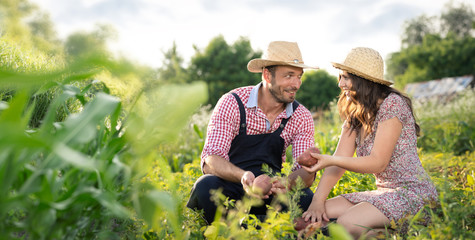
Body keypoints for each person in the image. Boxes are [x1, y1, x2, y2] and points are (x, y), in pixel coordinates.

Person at [300, 47, 438, 238]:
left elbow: (377, 162)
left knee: (347, 224)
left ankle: (409, 230)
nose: (340, 83)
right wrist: (317, 200)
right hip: (384, 194)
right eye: (340, 77)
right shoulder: (355, 114)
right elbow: (338, 163)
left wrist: (330, 160)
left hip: (411, 192)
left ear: (363, 80)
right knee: (310, 219)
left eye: (346, 77)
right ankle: (390, 230)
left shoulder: (392, 104)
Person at [186, 41, 320, 224]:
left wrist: (287, 182)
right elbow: (211, 159)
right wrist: (243, 177)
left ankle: (263, 230)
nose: (296, 84)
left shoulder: (301, 116)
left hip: (272, 192)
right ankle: (228, 232)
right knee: (205, 186)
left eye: (299, 76)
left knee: (305, 198)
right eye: (289, 76)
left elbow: (305, 173)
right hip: (232, 185)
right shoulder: (232, 103)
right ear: (267, 75)